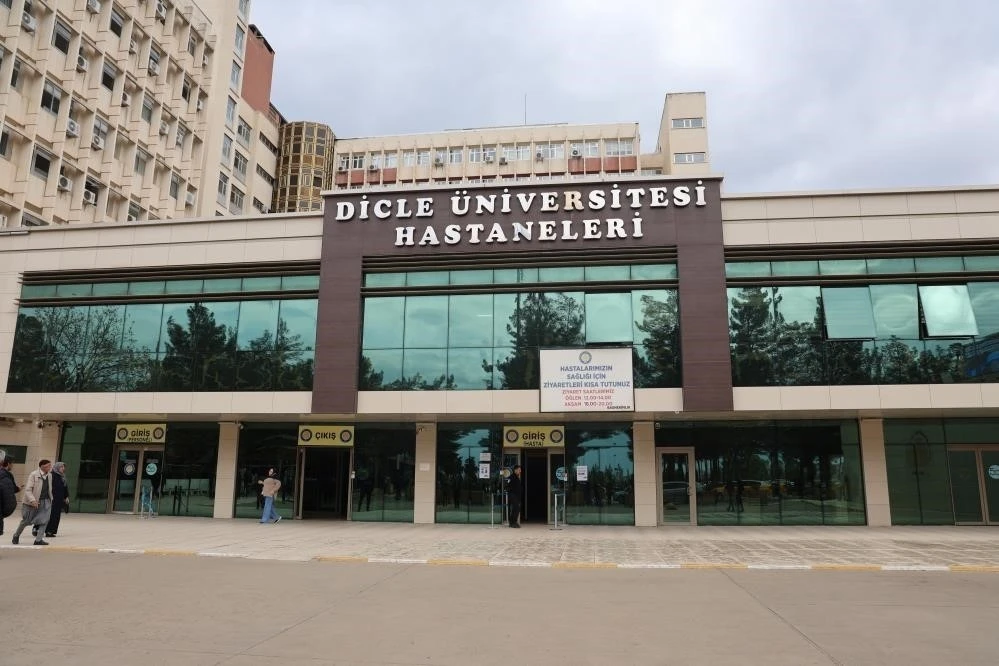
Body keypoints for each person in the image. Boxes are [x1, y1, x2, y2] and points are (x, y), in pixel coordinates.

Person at [12, 459, 53, 545]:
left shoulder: (49, 475)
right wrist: (33, 500)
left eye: (50, 465)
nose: (50, 467)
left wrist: (51, 499)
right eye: (48, 466)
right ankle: (16, 535)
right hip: (32, 502)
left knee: (45, 520)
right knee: (26, 521)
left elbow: (49, 489)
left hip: (45, 501)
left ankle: (38, 540)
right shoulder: (33, 475)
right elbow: (28, 490)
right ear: (42, 466)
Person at [45, 462, 70, 538]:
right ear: (57, 467)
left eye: (63, 467)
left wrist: (66, 497)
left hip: (59, 500)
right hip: (52, 499)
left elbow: (65, 488)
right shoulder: (51, 475)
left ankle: (51, 531)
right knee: (49, 515)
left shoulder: (62, 476)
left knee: (56, 516)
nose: (63, 468)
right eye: (61, 467)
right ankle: (45, 530)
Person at [0, 456, 19, 535]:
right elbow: (12, 489)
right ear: (8, 464)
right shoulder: (8, 475)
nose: (12, 466)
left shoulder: (7, 475)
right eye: (12, 464)